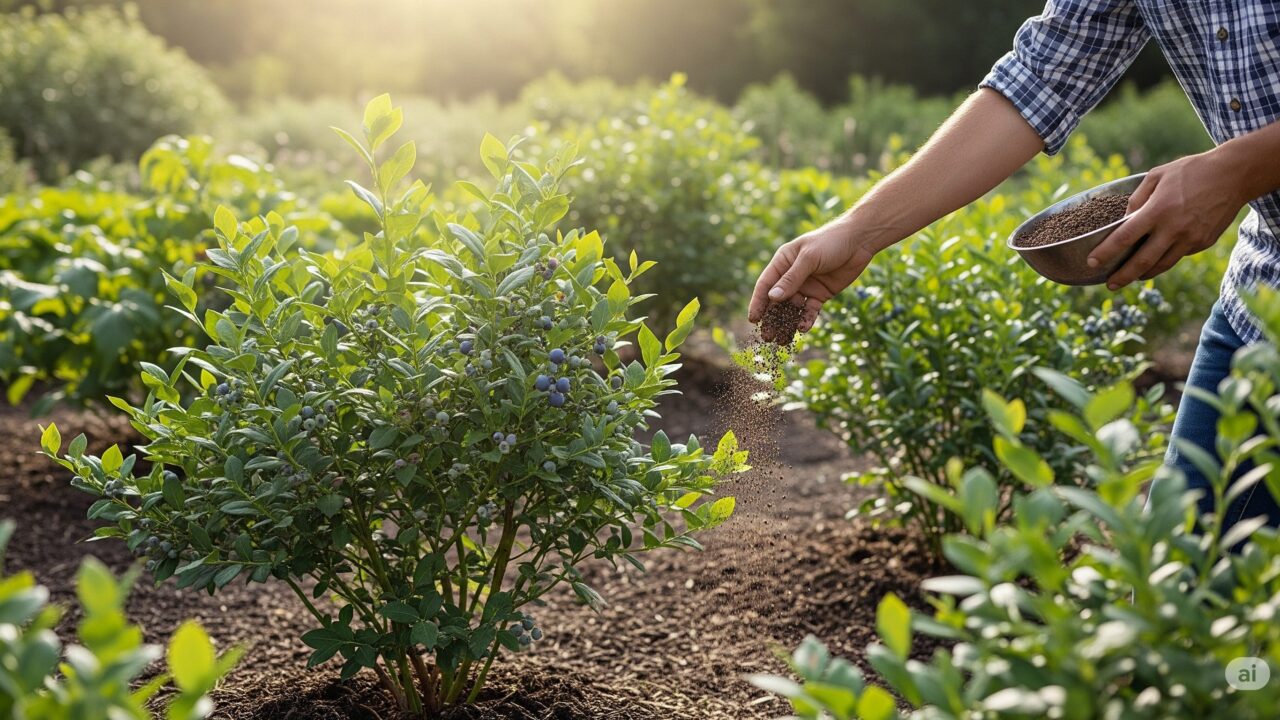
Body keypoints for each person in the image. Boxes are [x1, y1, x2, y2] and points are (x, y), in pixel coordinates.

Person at [749, 1, 1280, 530]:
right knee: (1185, 581)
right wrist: (857, 232)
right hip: (1262, 294)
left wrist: (1238, 169)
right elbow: (1041, 75)